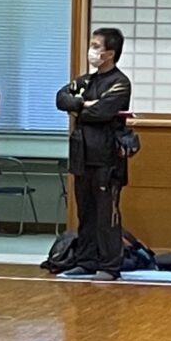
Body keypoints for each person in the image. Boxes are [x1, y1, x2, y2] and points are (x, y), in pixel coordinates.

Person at [56, 27, 132, 280]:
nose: (92, 51)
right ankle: (86, 261)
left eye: (96, 46)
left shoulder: (120, 83)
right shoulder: (85, 81)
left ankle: (109, 265)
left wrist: (79, 109)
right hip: (82, 156)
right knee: (85, 212)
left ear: (110, 53)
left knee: (106, 214)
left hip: (106, 159)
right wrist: (82, 104)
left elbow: (102, 112)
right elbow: (61, 98)